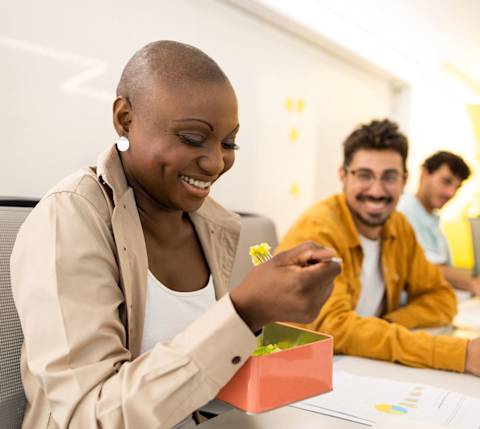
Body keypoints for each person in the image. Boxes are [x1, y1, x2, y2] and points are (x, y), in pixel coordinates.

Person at [11, 41, 341, 429]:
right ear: (125, 119)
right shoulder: (70, 217)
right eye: (192, 138)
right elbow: (89, 415)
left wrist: (268, 315)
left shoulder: (214, 225)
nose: (216, 162)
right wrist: (244, 311)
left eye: (229, 143)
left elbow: (196, 377)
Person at [277, 119, 480, 376]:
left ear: (404, 180)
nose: (376, 191)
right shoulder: (318, 230)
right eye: (364, 175)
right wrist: (459, 354)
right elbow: (335, 328)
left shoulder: (399, 226)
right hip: (301, 372)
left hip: (364, 367)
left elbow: (441, 298)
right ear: (343, 175)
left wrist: (383, 325)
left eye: (389, 177)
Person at [397, 151, 480, 296]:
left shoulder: (433, 221)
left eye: (457, 187)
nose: (451, 193)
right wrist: (472, 284)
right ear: (424, 174)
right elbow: (430, 267)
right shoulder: (403, 213)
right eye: (446, 181)